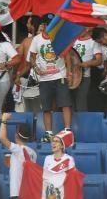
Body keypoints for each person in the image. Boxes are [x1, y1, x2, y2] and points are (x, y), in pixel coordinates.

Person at [28, 14, 73, 142]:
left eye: (53, 23)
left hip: (60, 76)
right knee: (46, 107)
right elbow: (32, 56)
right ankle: (48, 133)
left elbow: (68, 56)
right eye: (48, 23)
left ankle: (67, 130)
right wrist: (35, 67)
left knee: (65, 104)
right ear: (44, 25)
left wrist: (69, 73)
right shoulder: (37, 39)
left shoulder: (60, 36)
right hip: (44, 79)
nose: (50, 25)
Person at [0, 112, 37, 199]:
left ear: (16, 134)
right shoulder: (33, 153)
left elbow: (2, 137)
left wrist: (4, 120)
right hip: (28, 192)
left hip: (18, 193)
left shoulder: (18, 149)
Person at [70, 28, 102, 112]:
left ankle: (83, 124)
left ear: (87, 29)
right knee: (69, 104)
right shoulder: (73, 39)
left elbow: (99, 60)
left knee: (81, 103)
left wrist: (86, 64)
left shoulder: (94, 42)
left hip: (84, 76)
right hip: (70, 76)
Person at [42, 130, 79, 197]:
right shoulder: (47, 158)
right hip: (50, 192)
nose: (53, 143)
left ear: (62, 146)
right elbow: (45, 176)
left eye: (56, 141)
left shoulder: (69, 159)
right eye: (53, 141)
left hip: (63, 192)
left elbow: (73, 178)